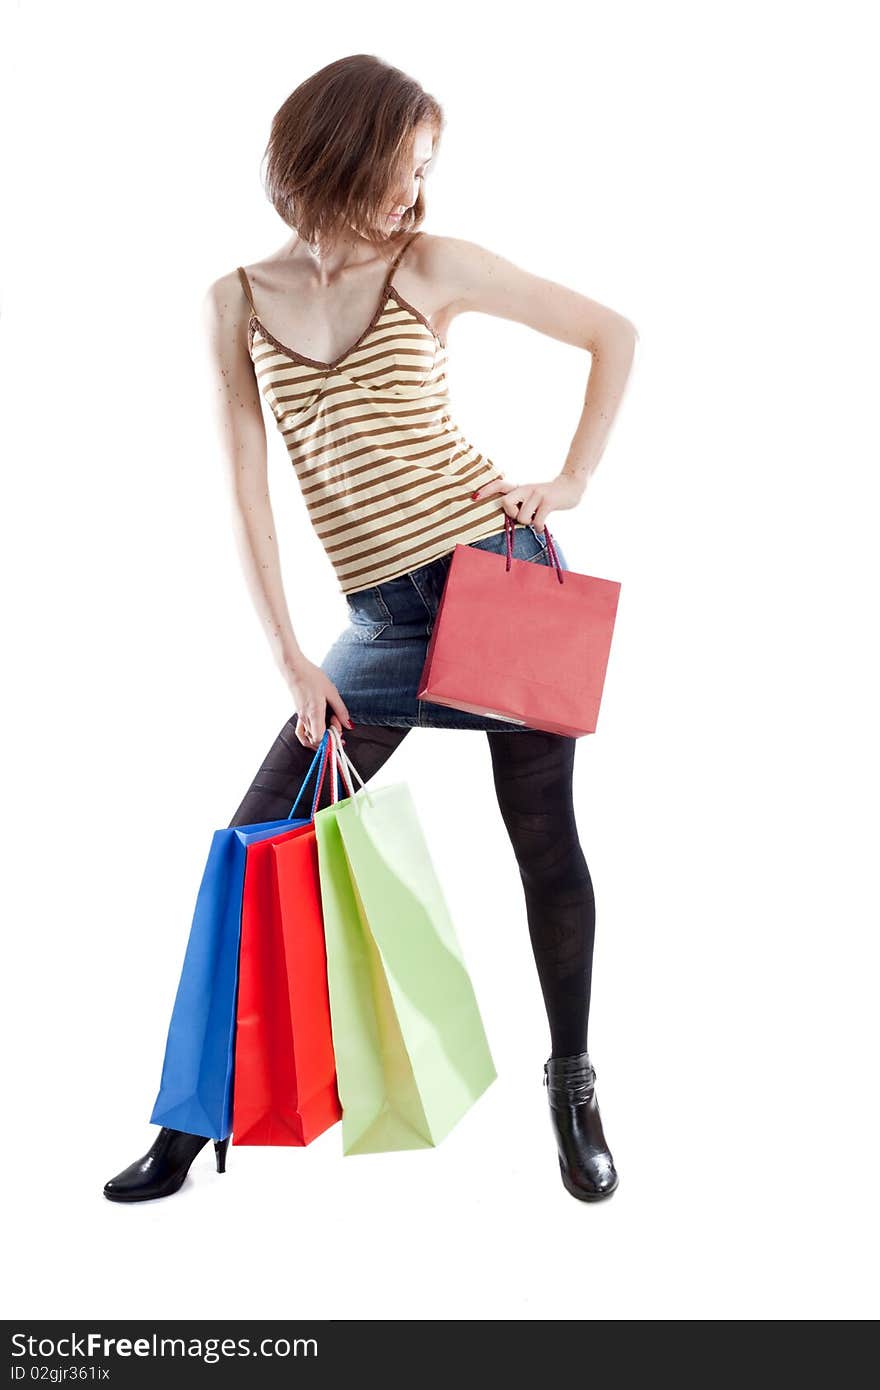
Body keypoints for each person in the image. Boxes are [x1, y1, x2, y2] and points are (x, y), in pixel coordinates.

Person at [103, 53, 638, 1206]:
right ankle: (188, 1126)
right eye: (406, 168)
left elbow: (613, 332)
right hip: (377, 625)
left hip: (496, 579)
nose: (417, 194)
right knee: (254, 851)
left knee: (544, 842)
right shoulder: (235, 301)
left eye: (426, 169)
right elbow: (246, 489)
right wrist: (293, 657)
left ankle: (573, 1084)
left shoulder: (431, 265)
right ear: (340, 156)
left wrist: (572, 481)